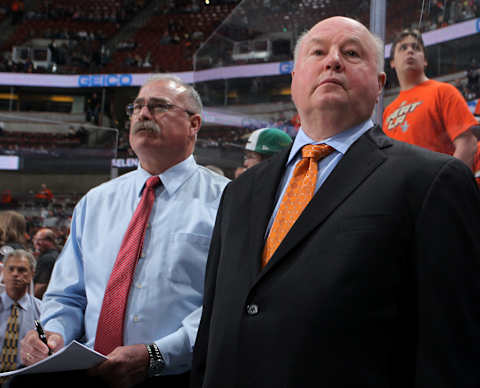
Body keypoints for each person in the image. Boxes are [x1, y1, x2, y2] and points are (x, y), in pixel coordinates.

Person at [191, 16, 480, 388]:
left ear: (379, 86)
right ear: (294, 79)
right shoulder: (239, 192)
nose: (333, 60)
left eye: (351, 52)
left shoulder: (432, 181)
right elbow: (214, 323)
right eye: (318, 52)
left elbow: (451, 348)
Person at [16, 75, 229, 388]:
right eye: (138, 107)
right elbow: (67, 294)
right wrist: (53, 333)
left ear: (194, 124)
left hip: (179, 376)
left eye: (159, 107)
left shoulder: (228, 201)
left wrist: (158, 355)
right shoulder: (95, 201)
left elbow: (225, 304)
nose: (143, 114)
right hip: (87, 372)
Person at [383, 28, 478, 169]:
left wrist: (448, 185)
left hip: (437, 186)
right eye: (403, 48)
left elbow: (467, 143)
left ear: (425, 60)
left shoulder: (444, 91)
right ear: (392, 62)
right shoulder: (388, 111)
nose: (410, 51)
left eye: (416, 47)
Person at [0, 250, 41, 380]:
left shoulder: (42, 311)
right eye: (11, 269)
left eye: (22, 270)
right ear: (3, 272)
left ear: (32, 274)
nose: (15, 274)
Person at [32, 228, 59, 299]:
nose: (35, 243)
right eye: (35, 239)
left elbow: (41, 286)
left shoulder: (47, 259)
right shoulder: (57, 254)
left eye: (39, 240)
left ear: (49, 241)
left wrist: (31, 302)